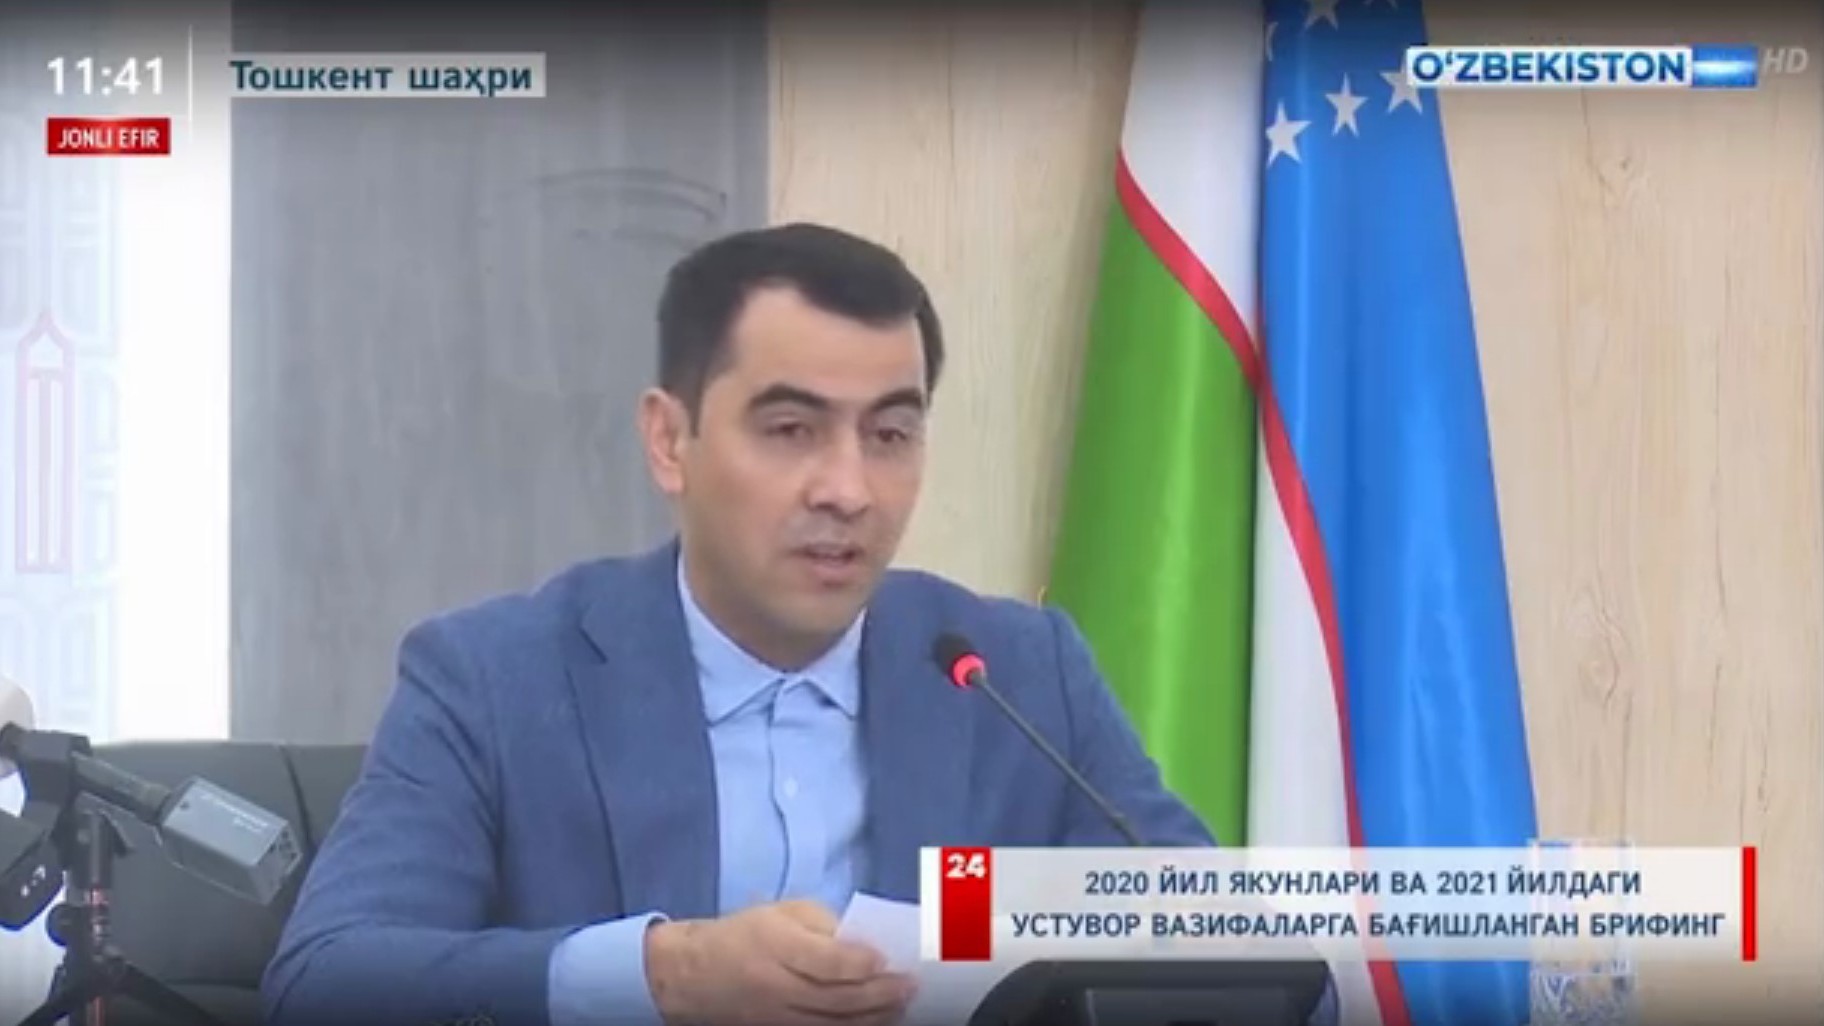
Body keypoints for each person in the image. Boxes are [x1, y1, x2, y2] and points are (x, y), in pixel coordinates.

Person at [260, 223, 1218, 1026]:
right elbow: (327, 982)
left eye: (890, 434)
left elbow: (1227, 951)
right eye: (791, 429)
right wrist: (663, 976)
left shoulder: (1014, 672)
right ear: (669, 440)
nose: (847, 490)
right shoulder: (495, 678)